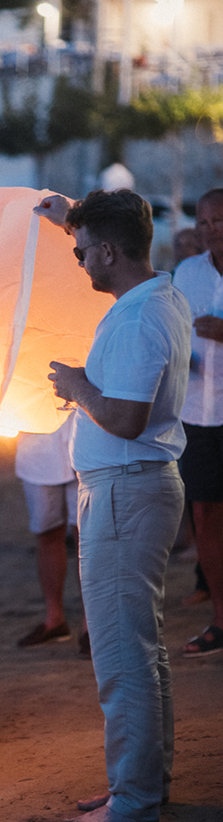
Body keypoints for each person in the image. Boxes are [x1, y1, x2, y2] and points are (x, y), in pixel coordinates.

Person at [37, 189, 191, 822]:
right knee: (140, 646)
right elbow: (120, 230)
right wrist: (68, 215)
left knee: (122, 652)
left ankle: (132, 798)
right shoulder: (161, 294)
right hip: (134, 485)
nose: (79, 264)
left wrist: (77, 387)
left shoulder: (135, 319)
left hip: (127, 487)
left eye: (81, 252)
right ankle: (144, 783)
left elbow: (126, 418)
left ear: (106, 250)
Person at [173, 188, 223, 656]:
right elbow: (175, 328)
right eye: (204, 221)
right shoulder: (187, 273)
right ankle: (219, 619)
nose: (210, 229)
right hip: (200, 415)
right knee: (205, 514)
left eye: (219, 219)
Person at [15, 418, 89, 658]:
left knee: (86, 537)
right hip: (37, 447)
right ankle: (54, 619)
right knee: (46, 531)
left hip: (84, 442)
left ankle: (91, 623)